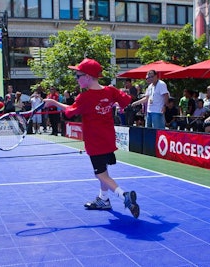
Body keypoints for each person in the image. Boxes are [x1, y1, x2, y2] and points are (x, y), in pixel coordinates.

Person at [43, 58, 139, 218]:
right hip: (108, 139)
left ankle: (124, 196)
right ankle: (104, 199)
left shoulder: (85, 98)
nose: (76, 78)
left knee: (100, 174)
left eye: (78, 75)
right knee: (104, 170)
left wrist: (53, 103)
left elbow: (70, 112)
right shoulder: (111, 91)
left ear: (87, 76)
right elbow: (126, 100)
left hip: (95, 142)